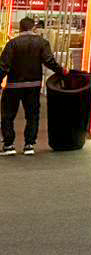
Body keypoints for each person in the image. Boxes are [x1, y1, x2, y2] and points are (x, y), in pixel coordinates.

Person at [0, 16, 66, 155]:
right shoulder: (42, 43)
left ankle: (9, 145)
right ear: (33, 28)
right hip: (33, 85)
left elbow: (3, 65)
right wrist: (61, 71)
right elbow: (49, 61)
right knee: (32, 114)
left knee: (8, 115)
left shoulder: (12, 43)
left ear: (20, 28)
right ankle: (29, 144)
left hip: (13, 85)